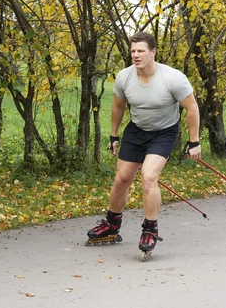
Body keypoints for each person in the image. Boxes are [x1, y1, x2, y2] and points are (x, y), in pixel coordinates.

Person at [86, 31, 202, 254]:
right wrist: (113, 135)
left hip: (164, 133)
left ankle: (150, 229)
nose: (136, 55)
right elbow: (118, 106)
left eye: (141, 51)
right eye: (133, 51)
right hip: (136, 131)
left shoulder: (173, 78)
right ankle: (112, 224)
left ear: (153, 52)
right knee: (122, 179)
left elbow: (192, 107)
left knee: (148, 177)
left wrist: (194, 141)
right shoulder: (124, 77)